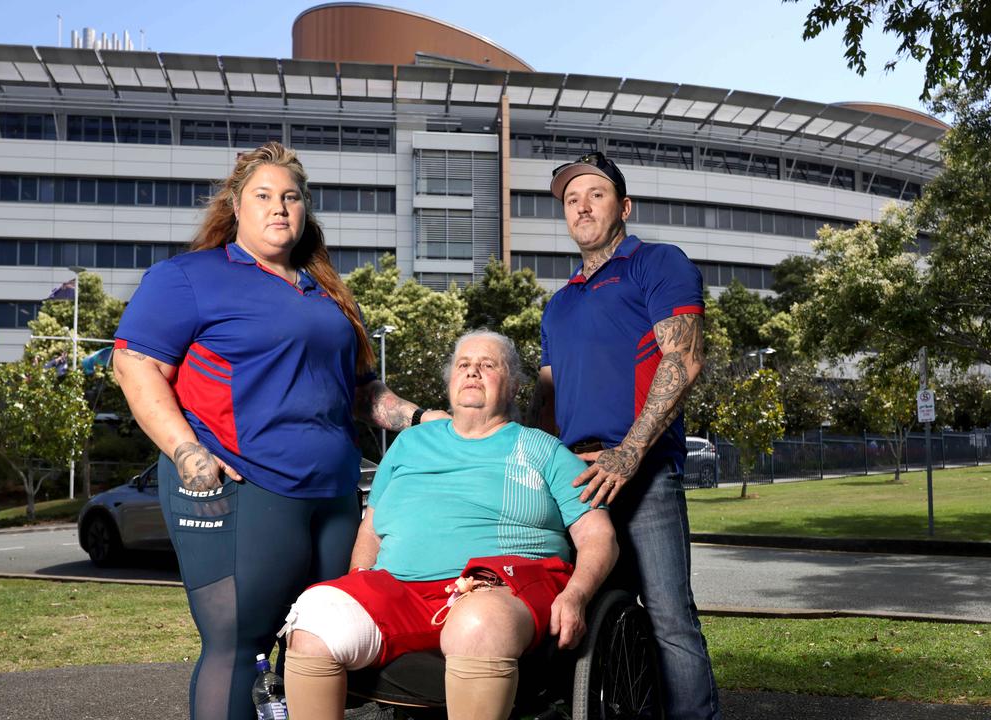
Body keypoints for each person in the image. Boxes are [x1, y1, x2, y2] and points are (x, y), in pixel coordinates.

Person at [112, 142, 444, 720]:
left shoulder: (330, 294)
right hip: (243, 488)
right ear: (235, 207)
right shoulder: (189, 278)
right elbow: (134, 366)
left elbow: (364, 394)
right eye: (263, 196)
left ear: (305, 210)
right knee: (238, 646)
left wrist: (421, 419)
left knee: (318, 649)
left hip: (335, 495)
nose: (279, 208)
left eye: (291, 197)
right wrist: (188, 451)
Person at [281, 330, 618, 720]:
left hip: (503, 586)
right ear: (450, 381)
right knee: (316, 615)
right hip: (403, 589)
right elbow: (370, 530)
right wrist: (361, 583)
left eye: (488, 365)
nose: (473, 372)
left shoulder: (543, 450)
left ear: (511, 384)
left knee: (475, 622)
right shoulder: (409, 444)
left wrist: (575, 596)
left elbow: (598, 535)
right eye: (464, 365)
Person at [529, 152, 720, 719]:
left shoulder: (657, 264)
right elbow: (548, 396)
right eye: (571, 199)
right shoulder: (559, 305)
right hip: (573, 480)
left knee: (668, 618)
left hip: (643, 470)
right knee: (578, 608)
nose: (582, 205)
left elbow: (682, 360)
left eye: (596, 194)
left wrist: (630, 451)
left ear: (624, 206)